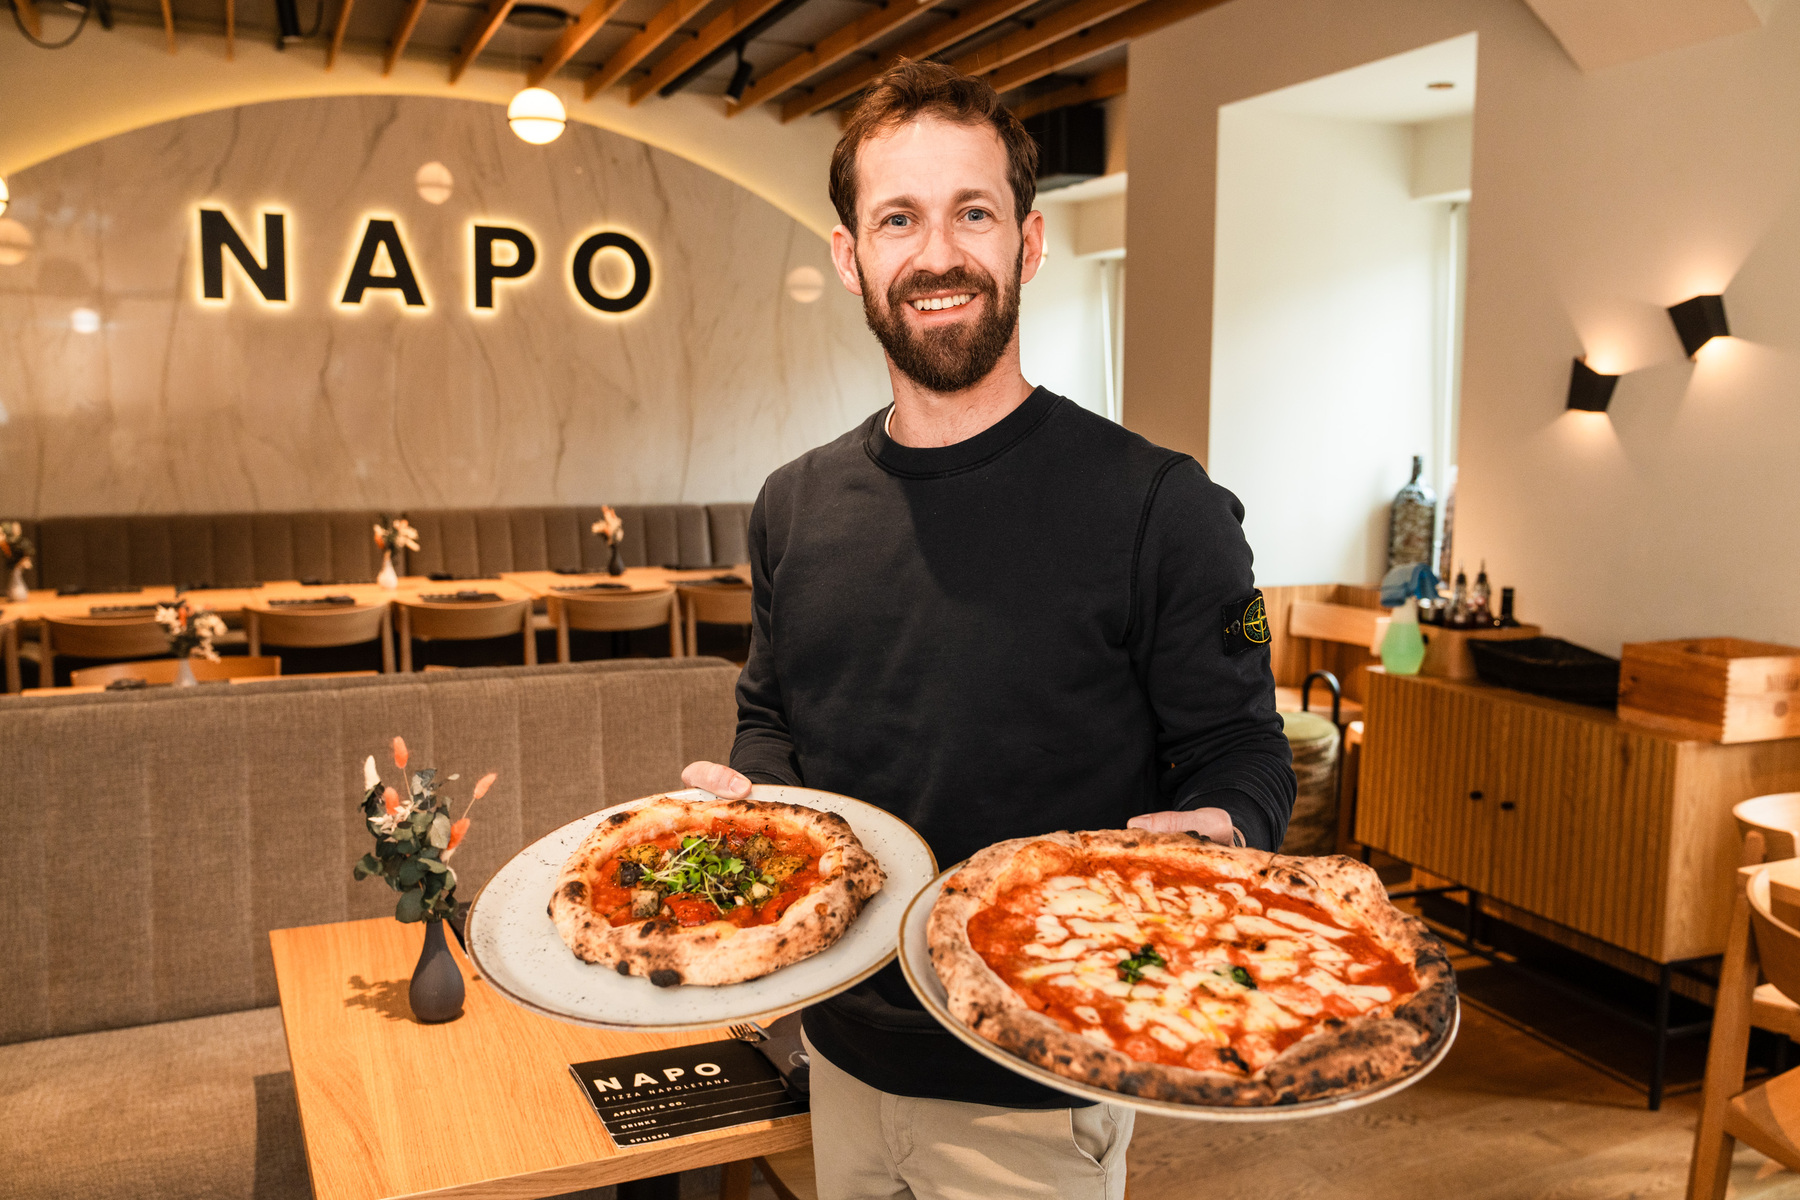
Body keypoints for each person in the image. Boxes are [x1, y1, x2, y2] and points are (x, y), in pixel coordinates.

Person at [681, 60, 1295, 1200]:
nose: (938, 253)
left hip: (1041, 1076)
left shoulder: (1162, 507)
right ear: (848, 255)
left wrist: (1223, 828)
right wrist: (758, 802)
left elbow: (1245, 751)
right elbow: (773, 716)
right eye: (897, 218)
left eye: (974, 212)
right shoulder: (793, 506)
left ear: (1031, 242)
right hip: (841, 1052)